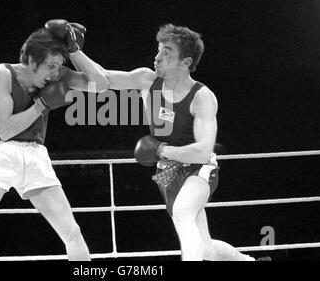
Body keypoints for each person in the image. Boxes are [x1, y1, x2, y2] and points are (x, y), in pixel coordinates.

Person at [0, 19, 109, 261]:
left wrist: (74, 50)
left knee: (72, 232)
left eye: (58, 66)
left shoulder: (58, 75)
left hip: (35, 155)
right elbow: (4, 130)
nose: (55, 73)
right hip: (0, 154)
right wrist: (42, 104)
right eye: (51, 66)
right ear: (32, 61)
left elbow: (101, 84)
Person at [98, 23, 254, 261]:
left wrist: (161, 150)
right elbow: (103, 79)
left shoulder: (202, 97)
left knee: (183, 213)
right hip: (168, 172)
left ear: (186, 62)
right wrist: (73, 51)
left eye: (167, 52)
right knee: (207, 248)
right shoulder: (147, 81)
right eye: (159, 50)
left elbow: (202, 152)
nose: (158, 57)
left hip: (199, 169)